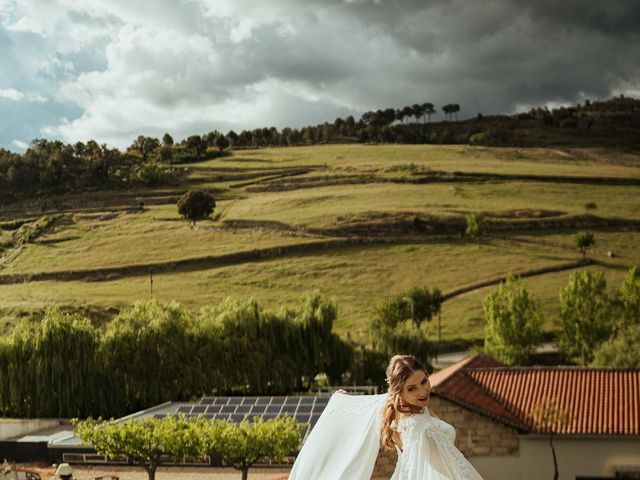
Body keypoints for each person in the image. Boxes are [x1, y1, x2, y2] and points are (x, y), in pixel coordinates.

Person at [289, 354, 483, 480]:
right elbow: (454, 467)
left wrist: (344, 399)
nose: (423, 391)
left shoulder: (394, 406)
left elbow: (369, 404)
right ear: (399, 392)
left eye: (424, 381)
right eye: (412, 388)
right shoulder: (417, 426)